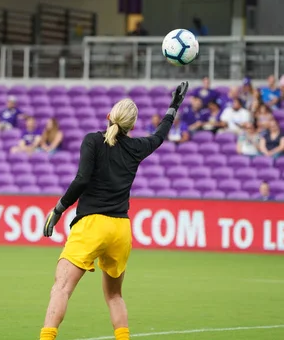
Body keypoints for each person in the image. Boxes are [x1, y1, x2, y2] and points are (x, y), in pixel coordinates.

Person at [39, 82, 189, 340]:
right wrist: (173, 107)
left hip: (92, 226)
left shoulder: (93, 141)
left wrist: (59, 208)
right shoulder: (136, 148)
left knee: (61, 288)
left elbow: (82, 179)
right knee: (114, 296)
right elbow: (160, 135)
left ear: (109, 116)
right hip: (120, 229)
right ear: (131, 125)